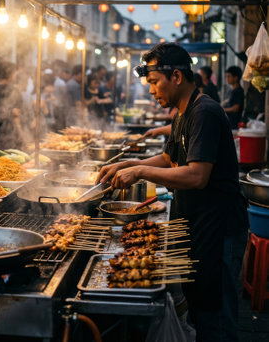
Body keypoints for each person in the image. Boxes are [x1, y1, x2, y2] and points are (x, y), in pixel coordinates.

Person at [98, 43, 248, 342]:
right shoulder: (183, 111)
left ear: (177, 76)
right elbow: (169, 158)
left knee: (215, 316)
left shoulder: (204, 111)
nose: (152, 90)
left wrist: (139, 172)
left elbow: (196, 175)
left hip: (219, 229)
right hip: (198, 223)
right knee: (199, 306)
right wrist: (130, 163)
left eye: (154, 82)